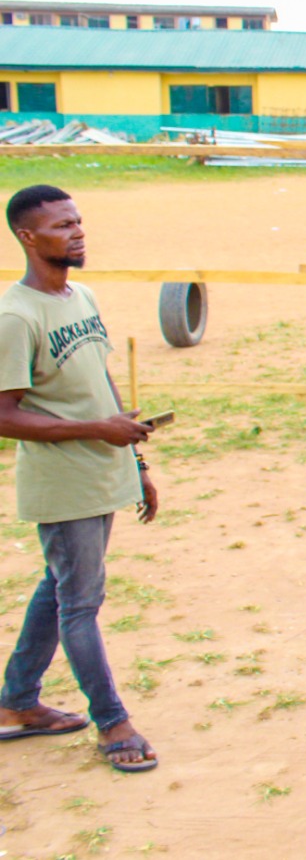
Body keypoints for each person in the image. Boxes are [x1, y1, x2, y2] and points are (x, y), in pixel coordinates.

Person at [0, 185, 162, 773]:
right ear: (28, 236)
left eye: (78, 222)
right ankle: (113, 722)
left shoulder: (81, 295)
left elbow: (102, 382)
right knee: (80, 603)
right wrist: (98, 428)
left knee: (59, 587)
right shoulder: (16, 316)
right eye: (62, 226)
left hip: (103, 472)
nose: (77, 233)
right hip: (63, 486)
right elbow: (4, 414)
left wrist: (134, 461)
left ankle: (17, 704)